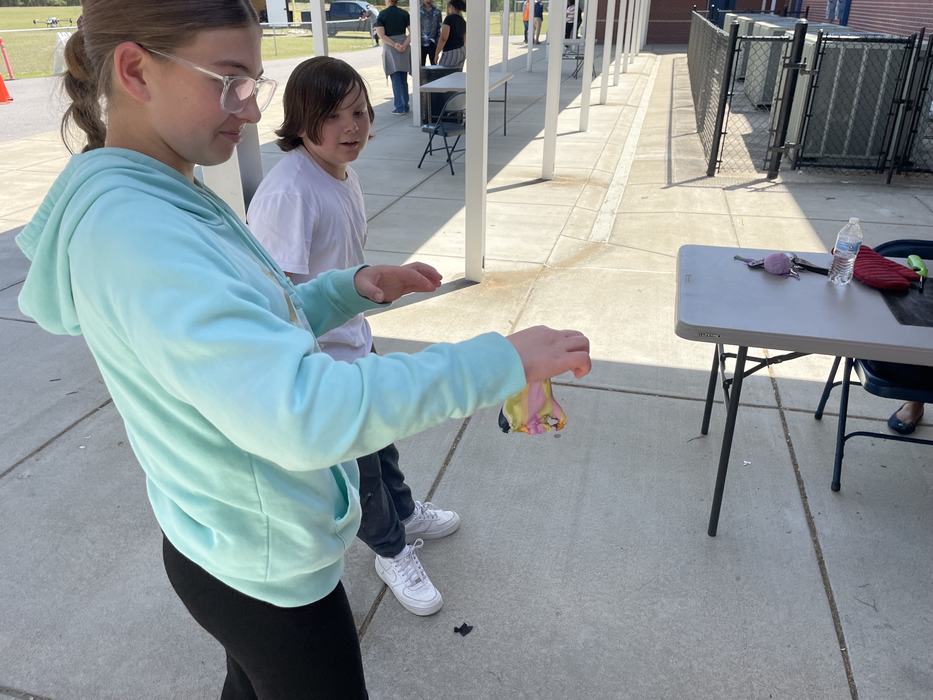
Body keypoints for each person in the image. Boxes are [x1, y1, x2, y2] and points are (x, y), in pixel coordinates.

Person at [14, 0, 591, 696]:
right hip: (261, 564)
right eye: (228, 80)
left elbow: (257, 319)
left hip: (222, 536)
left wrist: (348, 287)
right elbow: (301, 412)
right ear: (136, 70)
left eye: (252, 82)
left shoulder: (161, 192)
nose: (251, 111)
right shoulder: (142, 232)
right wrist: (498, 362)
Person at [247, 56, 458, 617]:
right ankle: (390, 550)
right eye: (334, 115)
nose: (353, 127)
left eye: (361, 112)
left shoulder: (344, 173)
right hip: (324, 361)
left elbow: (341, 263)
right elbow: (278, 300)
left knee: (381, 441)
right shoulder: (289, 192)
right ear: (300, 119)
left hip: (355, 340)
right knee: (358, 470)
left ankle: (406, 512)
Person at [374, 0, 411, 114]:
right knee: (403, 79)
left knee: (395, 78)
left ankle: (399, 107)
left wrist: (394, 44)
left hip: (391, 48)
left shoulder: (382, 14)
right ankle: (405, 105)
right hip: (404, 45)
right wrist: (404, 45)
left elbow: (381, 35)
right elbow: (412, 32)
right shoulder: (404, 13)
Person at [435, 0, 466, 69]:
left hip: (451, 52)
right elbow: (465, 39)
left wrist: (436, 53)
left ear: (451, 7)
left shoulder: (449, 19)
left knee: (443, 74)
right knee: (456, 75)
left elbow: (443, 38)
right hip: (462, 51)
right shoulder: (463, 21)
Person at [420, 0, 442, 66]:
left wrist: (438, 47)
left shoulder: (437, 12)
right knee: (420, 67)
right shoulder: (418, 11)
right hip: (420, 43)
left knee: (434, 67)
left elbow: (439, 28)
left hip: (433, 43)